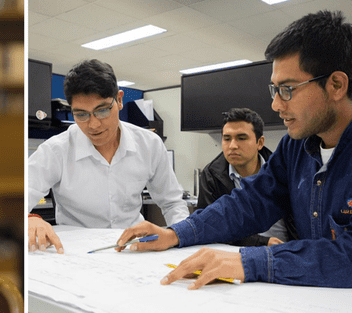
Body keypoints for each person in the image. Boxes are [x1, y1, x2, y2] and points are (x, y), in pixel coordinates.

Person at [116, 10, 352, 290]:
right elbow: (249, 204)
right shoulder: (296, 146)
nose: (276, 105)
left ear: (336, 85)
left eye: (288, 89)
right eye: (274, 90)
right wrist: (175, 233)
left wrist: (250, 261)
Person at [28, 59, 189, 313]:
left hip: (130, 255)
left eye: (102, 110)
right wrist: (31, 219)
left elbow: (172, 202)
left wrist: (181, 235)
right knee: (35, 301)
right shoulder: (57, 149)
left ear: (119, 100)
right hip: (74, 261)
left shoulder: (148, 144)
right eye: (81, 115)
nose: (94, 124)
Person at [198, 107, 294, 246]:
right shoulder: (211, 175)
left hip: (287, 252)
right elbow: (210, 229)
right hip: (238, 254)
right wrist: (261, 242)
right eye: (227, 139)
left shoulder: (283, 170)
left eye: (241, 138)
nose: (233, 146)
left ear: (260, 143)